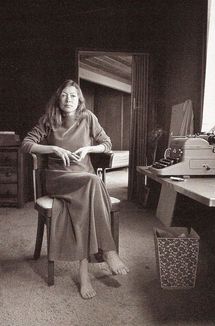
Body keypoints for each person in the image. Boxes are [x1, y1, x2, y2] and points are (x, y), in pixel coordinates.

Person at [21, 79, 129, 299]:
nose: (68, 99)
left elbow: (106, 143)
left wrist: (89, 148)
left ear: (79, 99)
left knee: (89, 192)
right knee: (94, 182)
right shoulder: (48, 120)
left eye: (73, 95)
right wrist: (52, 148)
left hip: (84, 179)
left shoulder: (88, 118)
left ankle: (84, 273)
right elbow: (26, 144)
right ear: (58, 99)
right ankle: (108, 251)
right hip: (58, 179)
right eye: (64, 95)